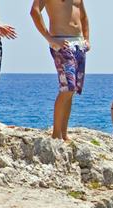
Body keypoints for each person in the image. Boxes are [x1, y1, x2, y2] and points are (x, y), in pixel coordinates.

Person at [29, 0, 88, 140]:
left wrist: (87, 39)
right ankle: (56, 134)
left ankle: (64, 133)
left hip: (79, 44)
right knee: (66, 88)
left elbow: (84, 17)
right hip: (61, 43)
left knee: (71, 90)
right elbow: (34, 11)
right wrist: (50, 39)